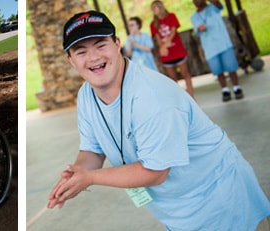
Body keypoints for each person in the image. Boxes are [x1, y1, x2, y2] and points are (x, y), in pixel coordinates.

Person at [47, 10, 270, 230]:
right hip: (177, 211)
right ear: (71, 61)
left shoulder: (152, 96)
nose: (94, 57)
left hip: (222, 200)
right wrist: (77, 174)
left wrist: (91, 178)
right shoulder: (86, 95)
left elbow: (155, 172)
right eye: (81, 51)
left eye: (101, 45)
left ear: (117, 44)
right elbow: (93, 149)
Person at [192, 0, 244, 102]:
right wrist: (200, 28)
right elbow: (196, 31)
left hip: (223, 44)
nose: (196, 1)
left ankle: (237, 88)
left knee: (231, 68)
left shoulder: (213, 8)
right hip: (210, 48)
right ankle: (225, 90)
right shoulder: (194, 17)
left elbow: (217, 4)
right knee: (218, 71)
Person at [150, 0, 195, 98]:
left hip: (178, 51)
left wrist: (165, 45)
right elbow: (157, 38)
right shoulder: (153, 24)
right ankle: (179, 98)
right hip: (167, 54)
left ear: (160, 7)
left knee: (185, 74)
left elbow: (173, 32)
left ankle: (191, 96)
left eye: (155, 7)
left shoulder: (171, 16)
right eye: (152, 8)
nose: (153, 10)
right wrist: (162, 47)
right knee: (172, 78)